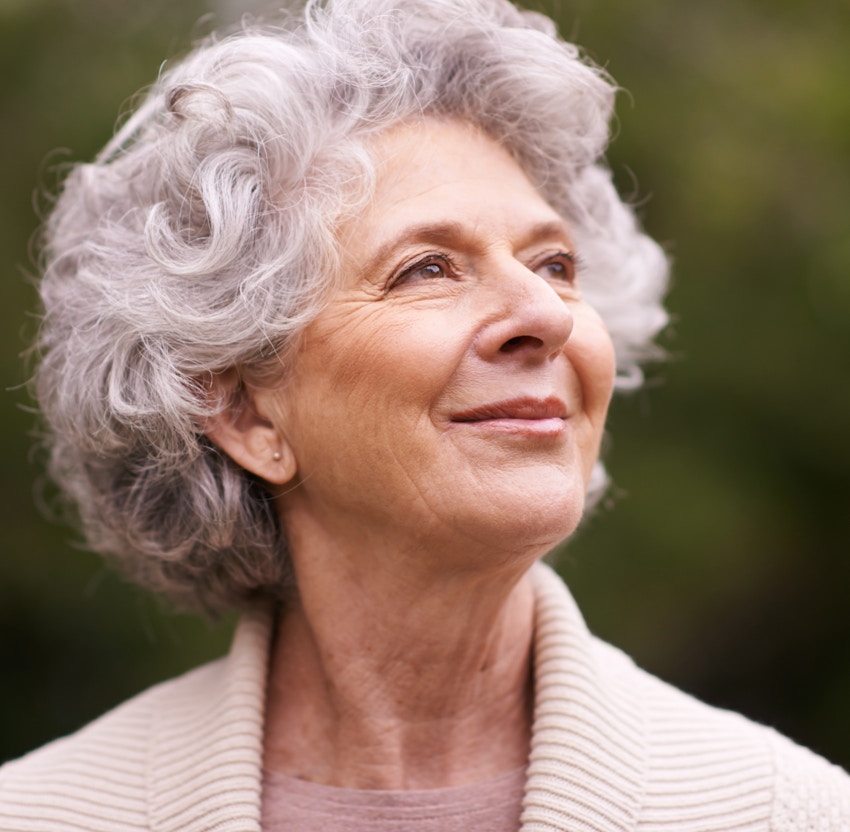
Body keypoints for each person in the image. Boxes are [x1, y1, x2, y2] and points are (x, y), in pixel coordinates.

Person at [2, 0, 849, 828]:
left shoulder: (788, 812)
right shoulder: (44, 814)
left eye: (555, 264)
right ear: (245, 411)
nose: (546, 315)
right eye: (428, 269)